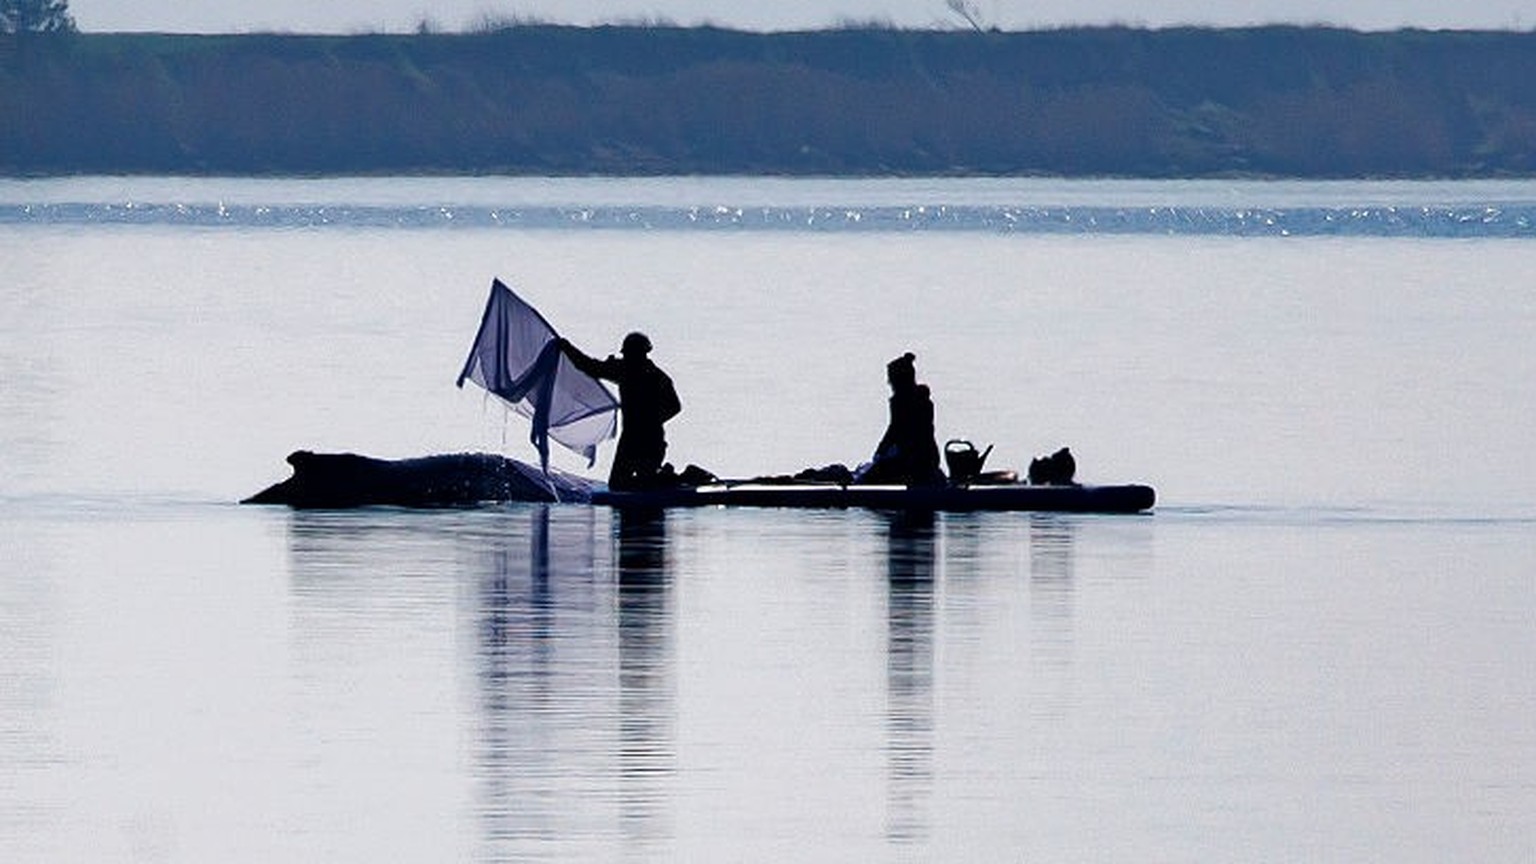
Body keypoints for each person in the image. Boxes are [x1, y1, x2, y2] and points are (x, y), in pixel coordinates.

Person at [557, 331, 681, 490]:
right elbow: (590, 367)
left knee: (639, 483)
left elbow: (675, 407)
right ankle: (661, 476)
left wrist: (648, 423)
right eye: (627, 354)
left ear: (642, 353)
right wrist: (567, 348)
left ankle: (666, 476)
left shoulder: (651, 376)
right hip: (632, 438)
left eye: (631, 354)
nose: (627, 357)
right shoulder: (628, 370)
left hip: (650, 440)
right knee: (618, 485)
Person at [855, 352, 944, 486]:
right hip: (929, 459)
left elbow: (895, 430)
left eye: (891, 378)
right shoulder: (923, 400)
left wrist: (881, 451)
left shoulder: (902, 401)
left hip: (915, 462)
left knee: (868, 478)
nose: (889, 382)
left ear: (901, 380)